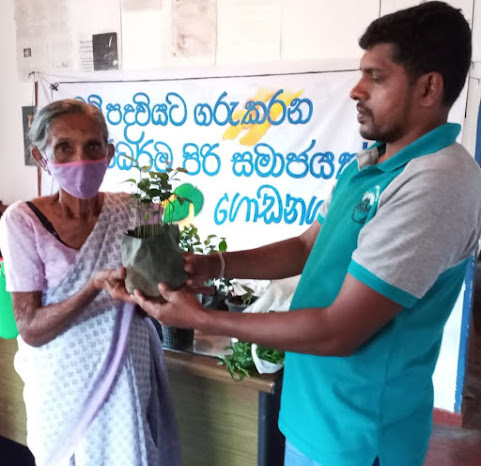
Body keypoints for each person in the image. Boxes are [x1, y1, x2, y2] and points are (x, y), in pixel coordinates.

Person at [107, 2, 481, 466]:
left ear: (428, 87)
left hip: (359, 438)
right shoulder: (369, 166)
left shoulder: (435, 182)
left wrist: (204, 319)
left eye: (376, 77)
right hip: (314, 415)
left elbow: (339, 331)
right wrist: (215, 264)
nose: (357, 90)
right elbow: (307, 247)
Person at [0, 99, 181, 466]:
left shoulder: (133, 209)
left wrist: (175, 280)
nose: (81, 159)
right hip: (62, 390)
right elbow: (30, 328)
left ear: (108, 153)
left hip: (128, 380)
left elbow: (155, 301)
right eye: (64, 147)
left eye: (93, 146)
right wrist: (93, 287)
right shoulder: (22, 221)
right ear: (41, 157)